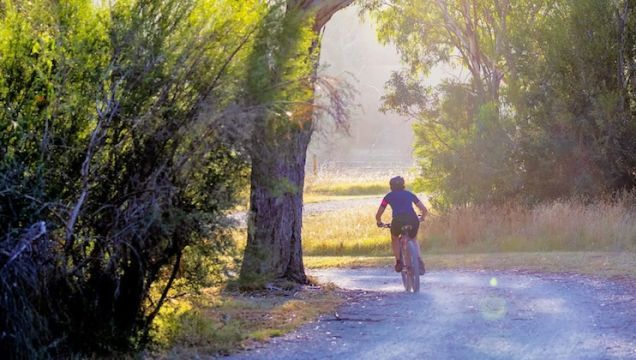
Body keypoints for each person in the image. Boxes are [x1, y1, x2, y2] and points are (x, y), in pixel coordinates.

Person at [375, 176, 428, 274]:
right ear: (403, 185)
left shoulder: (388, 197)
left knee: (394, 238)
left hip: (398, 221)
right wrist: (422, 217)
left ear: (391, 186)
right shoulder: (410, 194)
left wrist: (379, 222)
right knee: (413, 239)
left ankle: (399, 262)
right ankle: (419, 261)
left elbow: (378, 214)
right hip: (413, 219)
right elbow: (424, 210)